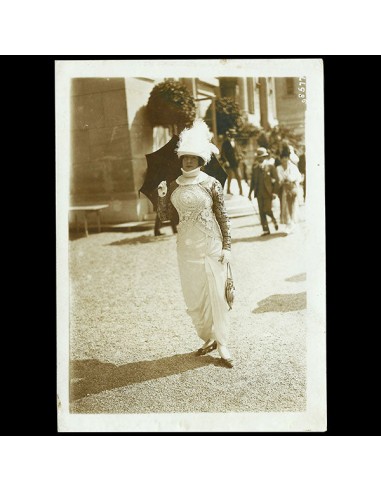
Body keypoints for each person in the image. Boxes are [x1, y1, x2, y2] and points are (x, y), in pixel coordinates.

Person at [157, 119, 234, 368]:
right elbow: (166, 217)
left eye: (193, 158)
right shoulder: (172, 186)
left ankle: (222, 342)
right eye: (185, 158)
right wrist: (161, 198)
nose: (188, 161)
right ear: (180, 159)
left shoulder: (212, 183)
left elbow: (222, 216)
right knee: (194, 297)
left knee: (217, 295)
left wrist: (227, 246)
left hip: (211, 244)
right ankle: (207, 337)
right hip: (186, 248)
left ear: (201, 159)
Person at [248, 147, 279, 236]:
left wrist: (274, 192)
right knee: (261, 211)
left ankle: (273, 219)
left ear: (265, 157)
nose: (260, 158)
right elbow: (253, 182)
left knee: (267, 209)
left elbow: (276, 180)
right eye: (258, 157)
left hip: (268, 192)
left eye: (262, 157)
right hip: (259, 193)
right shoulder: (255, 168)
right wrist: (250, 193)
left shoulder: (270, 166)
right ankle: (266, 230)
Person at [277, 148, 302, 234]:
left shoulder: (293, 167)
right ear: (280, 159)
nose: (284, 159)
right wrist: (283, 180)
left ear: (288, 158)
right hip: (283, 190)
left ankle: (292, 224)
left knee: (293, 206)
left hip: (292, 188)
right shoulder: (278, 168)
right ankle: (288, 224)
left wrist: (291, 179)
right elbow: (279, 179)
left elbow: (298, 177)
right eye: (282, 158)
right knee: (285, 206)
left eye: (286, 157)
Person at [221, 129, 244, 195]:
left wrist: (240, 156)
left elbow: (237, 151)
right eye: (232, 134)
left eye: (234, 134)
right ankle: (228, 190)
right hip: (229, 163)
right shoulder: (225, 142)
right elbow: (222, 154)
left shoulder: (235, 142)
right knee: (230, 177)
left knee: (239, 176)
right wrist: (226, 161)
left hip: (236, 163)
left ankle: (241, 191)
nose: (233, 135)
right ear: (229, 134)